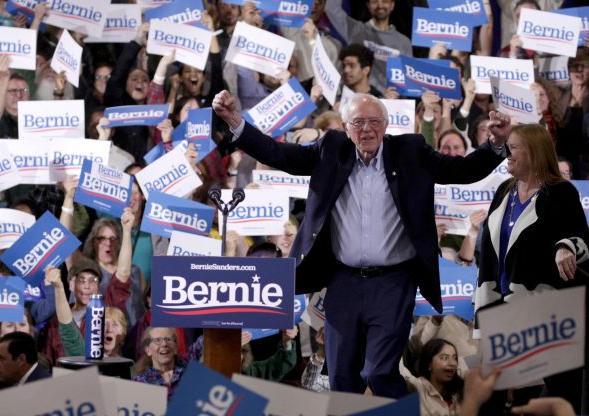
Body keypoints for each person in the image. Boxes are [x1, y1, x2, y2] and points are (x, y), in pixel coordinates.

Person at [212, 89, 507, 397]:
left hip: (394, 282)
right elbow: (279, 154)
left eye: (375, 121)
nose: (367, 129)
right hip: (343, 281)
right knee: (341, 375)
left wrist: (496, 143)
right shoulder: (330, 149)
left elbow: (462, 171)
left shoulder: (410, 151)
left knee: (379, 372)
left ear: (387, 123)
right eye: (358, 122)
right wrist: (235, 120)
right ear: (345, 126)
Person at [474, 123, 589, 412]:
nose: (507, 153)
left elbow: (583, 238)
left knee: (554, 398)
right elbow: (489, 256)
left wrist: (565, 246)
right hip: (500, 310)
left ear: (534, 151)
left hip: (547, 315)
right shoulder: (504, 191)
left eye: (513, 147)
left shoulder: (560, 192)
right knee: (494, 399)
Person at [401, 338, 464, 415]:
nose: (452, 363)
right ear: (429, 364)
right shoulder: (416, 387)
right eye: (444, 358)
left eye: (454, 358)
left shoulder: (460, 391)